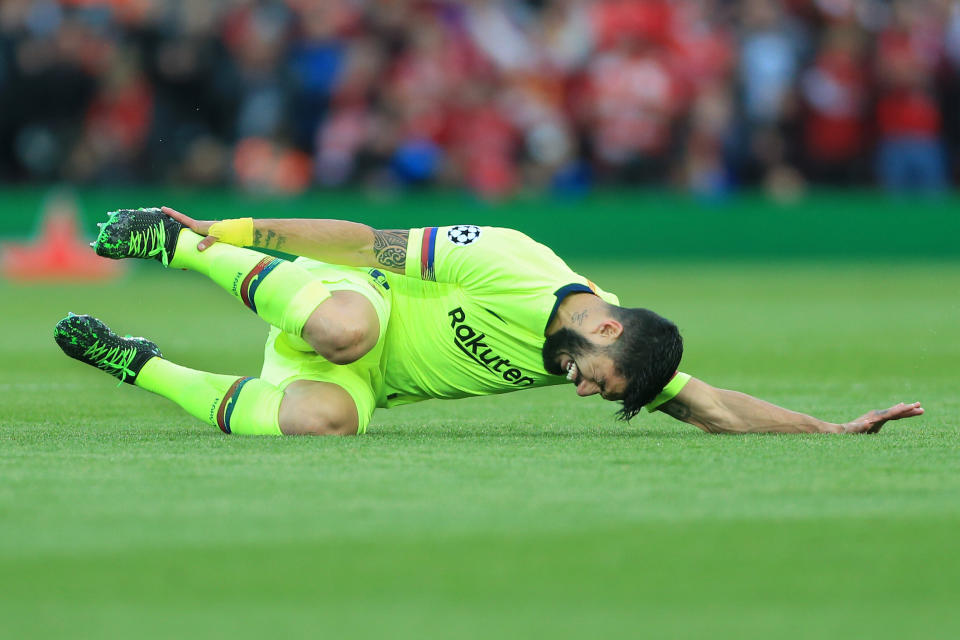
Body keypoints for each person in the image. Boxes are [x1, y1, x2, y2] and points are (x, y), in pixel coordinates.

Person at [55, 207, 923, 436]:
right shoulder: (515, 262)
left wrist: (832, 430)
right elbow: (364, 242)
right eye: (596, 378)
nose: (579, 390)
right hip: (343, 301)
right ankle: (179, 243)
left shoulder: (606, 355)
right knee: (350, 325)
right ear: (608, 329)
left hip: (355, 375)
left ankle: (136, 364)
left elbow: (718, 408)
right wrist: (228, 231)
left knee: (326, 421)